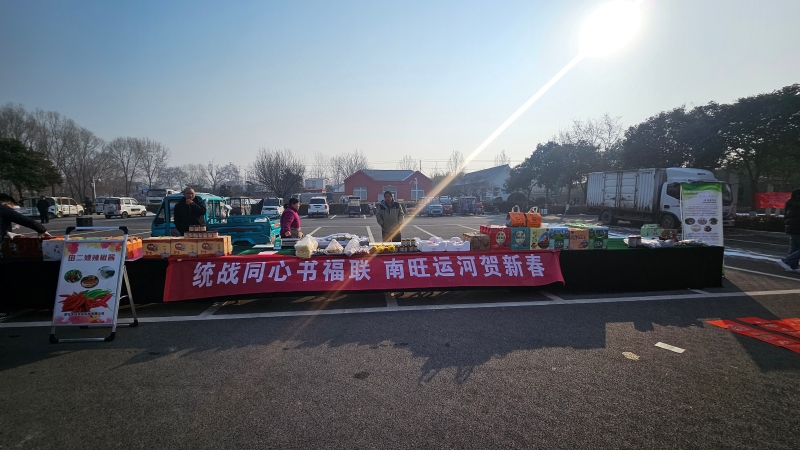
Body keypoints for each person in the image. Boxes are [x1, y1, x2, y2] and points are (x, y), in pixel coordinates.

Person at [777, 188, 800, 273]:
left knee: (795, 247)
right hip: (797, 228)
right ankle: (786, 261)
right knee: (795, 247)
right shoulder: (796, 204)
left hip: (792, 228)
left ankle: (792, 265)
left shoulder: (791, 202)